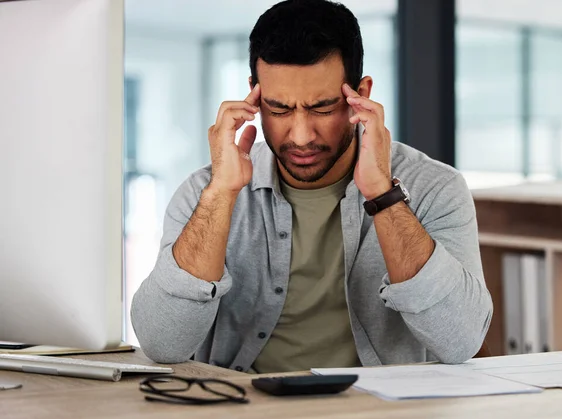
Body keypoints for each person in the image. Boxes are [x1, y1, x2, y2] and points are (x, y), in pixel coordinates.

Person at [131, 0, 493, 373]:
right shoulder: (205, 192)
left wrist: (383, 196)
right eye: (279, 109)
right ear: (253, 96)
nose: (301, 136)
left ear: (361, 94)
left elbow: (460, 340)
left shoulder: (435, 187)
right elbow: (162, 343)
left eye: (322, 108)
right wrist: (221, 195)